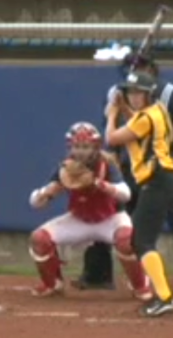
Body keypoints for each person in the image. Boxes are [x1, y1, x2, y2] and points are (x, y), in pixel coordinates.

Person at [76, 54, 173, 297]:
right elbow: (122, 129)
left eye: (140, 77)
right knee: (108, 211)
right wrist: (112, 149)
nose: (133, 88)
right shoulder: (121, 94)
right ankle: (97, 274)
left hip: (163, 170)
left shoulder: (169, 97)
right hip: (134, 171)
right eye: (131, 77)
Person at [28, 122, 152, 301]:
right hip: (80, 219)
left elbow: (126, 194)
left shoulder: (106, 164)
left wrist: (100, 184)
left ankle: (140, 285)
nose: (80, 151)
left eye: (86, 147)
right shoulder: (66, 168)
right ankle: (52, 283)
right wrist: (47, 193)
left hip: (110, 219)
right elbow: (34, 203)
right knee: (39, 239)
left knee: (126, 240)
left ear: (96, 147)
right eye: (77, 146)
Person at [106, 71, 173, 317]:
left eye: (138, 93)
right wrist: (122, 107)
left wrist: (112, 113)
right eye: (131, 93)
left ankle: (165, 297)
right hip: (162, 179)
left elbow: (112, 137)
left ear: (149, 94)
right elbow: (135, 122)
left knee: (141, 241)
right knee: (142, 240)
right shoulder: (157, 112)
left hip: (156, 180)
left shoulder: (146, 117)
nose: (134, 97)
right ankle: (163, 296)